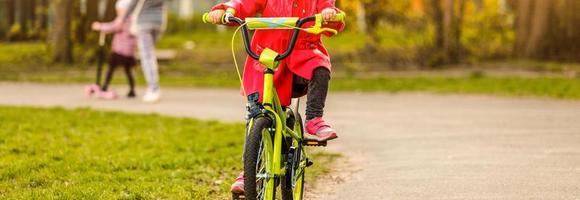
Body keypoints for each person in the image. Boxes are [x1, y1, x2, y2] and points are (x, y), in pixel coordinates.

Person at [207, 0, 345, 194]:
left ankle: (314, 118)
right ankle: (249, 173)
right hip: (266, 54)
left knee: (320, 69)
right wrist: (225, 10)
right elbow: (244, 3)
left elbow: (328, 11)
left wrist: (330, 14)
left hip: (303, 52)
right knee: (257, 115)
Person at [122, 0, 166, 103]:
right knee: (150, 55)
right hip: (158, 23)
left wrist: (122, 18)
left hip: (144, 22)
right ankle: (153, 86)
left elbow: (133, 3)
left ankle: (153, 89)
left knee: (147, 57)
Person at [91, 0, 137, 98]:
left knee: (111, 68)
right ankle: (132, 89)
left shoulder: (122, 20)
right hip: (129, 51)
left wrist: (99, 26)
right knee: (128, 70)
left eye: (119, 10)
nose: (117, 12)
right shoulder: (133, 19)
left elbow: (112, 27)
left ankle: (104, 86)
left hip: (119, 50)